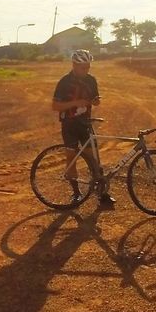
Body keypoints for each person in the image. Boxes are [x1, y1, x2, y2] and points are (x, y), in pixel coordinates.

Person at [51, 49, 114, 208]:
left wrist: (96, 101)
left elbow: (95, 99)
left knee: (94, 159)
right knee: (71, 159)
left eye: (88, 66)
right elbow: (55, 105)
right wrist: (75, 103)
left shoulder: (91, 80)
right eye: (83, 67)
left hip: (85, 123)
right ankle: (76, 193)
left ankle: (102, 193)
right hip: (69, 124)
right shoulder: (64, 82)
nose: (86, 70)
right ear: (74, 65)